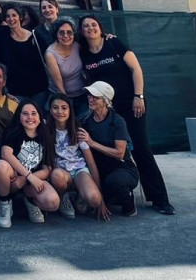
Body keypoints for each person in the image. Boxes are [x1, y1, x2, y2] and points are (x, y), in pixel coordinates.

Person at [79, 14, 175, 215]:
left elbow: (135, 69)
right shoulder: (84, 53)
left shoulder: (114, 43)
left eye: (93, 25)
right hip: (106, 109)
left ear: (100, 27)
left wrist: (138, 95)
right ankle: (121, 192)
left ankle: (160, 199)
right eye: (85, 26)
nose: (90, 28)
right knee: (108, 149)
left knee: (141, 148)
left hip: (130, 104)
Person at [0, 100, 60, 228]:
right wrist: (27, 176)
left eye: (34, 113)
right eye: (25, 114)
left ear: (40, 117)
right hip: (13, 179)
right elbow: (5, 154)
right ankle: (5, 204)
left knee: (53, 202)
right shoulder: (13, 132)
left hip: (32, 181)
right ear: (19, 117)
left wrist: (27, 178)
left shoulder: (45, 135)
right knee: (0, 166)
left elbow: (47, 169)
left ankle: (30, 201)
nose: (30, 117)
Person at [77, 81, 136, 220]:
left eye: (95, 97)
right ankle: (108, 198)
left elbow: (119, 153)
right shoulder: (84, 119)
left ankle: (128, 202)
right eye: (89, 96)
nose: (90, 99)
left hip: (122, 168)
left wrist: (92, 143)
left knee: (115, 182)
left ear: (106, 101)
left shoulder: (117, 121)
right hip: (98, 169)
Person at [46, 94, 103, 220]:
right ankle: (63, 197)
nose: (60, 111)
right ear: (50, 110)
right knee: (57, 176)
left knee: (94, 200)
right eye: (55, 107)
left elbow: (91, 163)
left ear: (70, 111)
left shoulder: (78, 130)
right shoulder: (45, 129)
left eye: (64, 108)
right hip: (60, 173)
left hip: (79, 171)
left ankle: (78, 195)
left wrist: (102, 200)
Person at [0, 7, 61, 105]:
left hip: (38, 90)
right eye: (8, 16)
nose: (11, 19)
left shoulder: (35, 36)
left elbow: (49, 58)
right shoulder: (2, 36)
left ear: (20, 17)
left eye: (14, 15)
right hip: (15, 91)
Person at [46, 18, 86, 115]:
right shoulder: (50, 53)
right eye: (61, 33)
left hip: (82, 93)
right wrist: (66, 103)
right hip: (62, 95)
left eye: (69, 32)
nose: (66, 36)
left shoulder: (78, 46)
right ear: (56, 34)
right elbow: (58, 83)